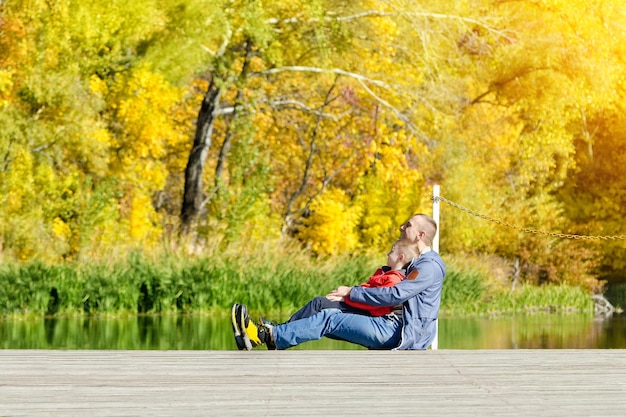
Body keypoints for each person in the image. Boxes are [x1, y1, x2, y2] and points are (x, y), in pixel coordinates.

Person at [231, 213, 446, 351]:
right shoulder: (415, 262)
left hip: (400, 332)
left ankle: (264, 335)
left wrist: (351, 292)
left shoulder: (428, 267)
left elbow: (393, 295)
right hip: (389, 322)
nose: (401, 227)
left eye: (407, 225)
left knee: (330, 319)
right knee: (323, 306)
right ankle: (270, 334)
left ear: (420, 235)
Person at [280, 238, 419, 323]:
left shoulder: (393, 279)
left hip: (368, 313)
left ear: (400, 258)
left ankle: (280, 331)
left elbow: (375, 304)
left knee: (319, 303)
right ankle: (282, 329)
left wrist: (345, 299)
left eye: (391, 252)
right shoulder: (385, 272)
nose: (388, 254)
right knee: (320, 303)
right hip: (358, 305)